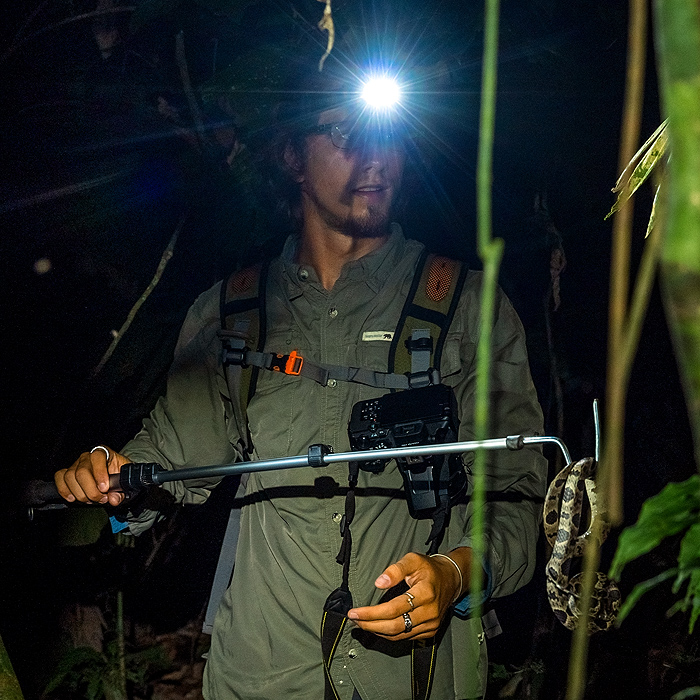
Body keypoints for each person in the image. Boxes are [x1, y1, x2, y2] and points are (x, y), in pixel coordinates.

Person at [55, 67, 547, 700]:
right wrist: (110, 472)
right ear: (290, 155)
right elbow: (177, 456)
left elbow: (518, 494)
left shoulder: (466, 306)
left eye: (388, 135)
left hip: (412, 677)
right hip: (259, 673)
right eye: (346, 134)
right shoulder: (232, 312)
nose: (375, 158)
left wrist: (456, 571)